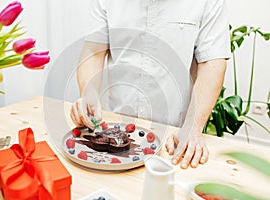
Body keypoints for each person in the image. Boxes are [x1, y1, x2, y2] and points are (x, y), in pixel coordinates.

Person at [70, 0, 230, 169]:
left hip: (174, 135)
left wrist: (193, 126)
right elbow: (93, 53)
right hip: (117, 123)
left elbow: (212, 63)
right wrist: (89, 93)